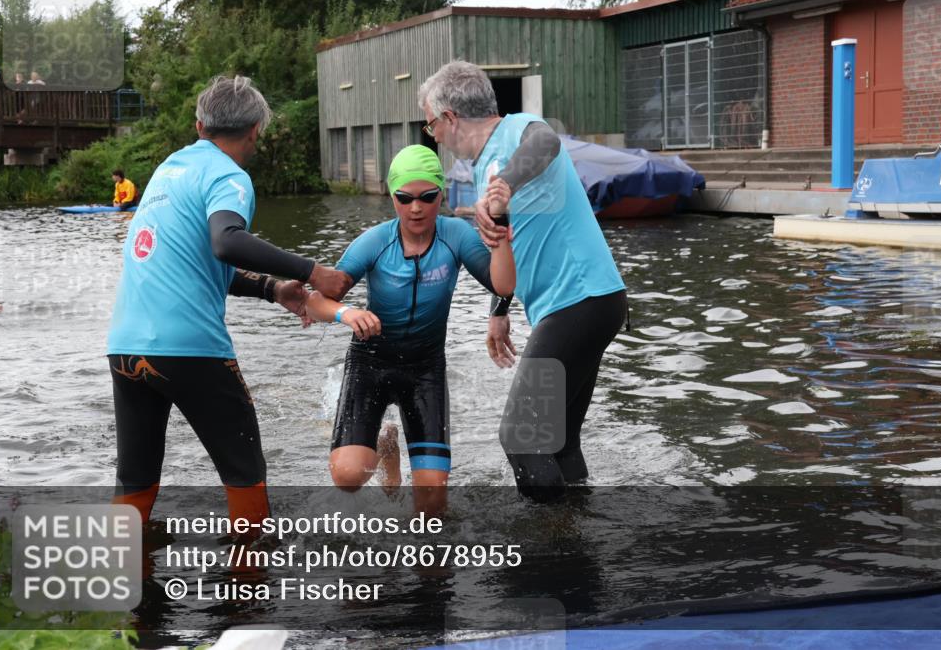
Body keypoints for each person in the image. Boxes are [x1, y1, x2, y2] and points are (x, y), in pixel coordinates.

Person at [107, 75, 351, 529]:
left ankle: (117, 591)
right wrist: (311, 271)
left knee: (135, 481)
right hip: (190, 350)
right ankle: (248, 590)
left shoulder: (169, 169)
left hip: (124, 346)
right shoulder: (227, 174)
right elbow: (227, 241)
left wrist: (273, 289)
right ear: (256, 130)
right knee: (245, 474)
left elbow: (196, 261)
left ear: (200, 124)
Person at [418, 61, 627, 502]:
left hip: (580, 301)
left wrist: (506, 185)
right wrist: (500, 311)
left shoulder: (516, 131)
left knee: (522, 438)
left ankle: (550, 555)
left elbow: (546, 139)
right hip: (586, 303)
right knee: (557, 441)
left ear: (451, 118)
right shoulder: (481, 170)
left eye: (431, 123)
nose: (432, 134)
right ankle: (577, 536)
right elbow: (510, 246)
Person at [305, 144, 514, 515]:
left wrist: (499, 229)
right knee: (348, 477)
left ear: (441, 195)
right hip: (370, 362)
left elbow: (502, 285)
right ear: (392, 198)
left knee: (432, 507)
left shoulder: (457, 236)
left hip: (425, 369)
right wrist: (347, 313)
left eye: (427, 197)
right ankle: (387, 448)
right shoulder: (374, 241)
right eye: (405, 198)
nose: (415, 208)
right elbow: (316, 301)